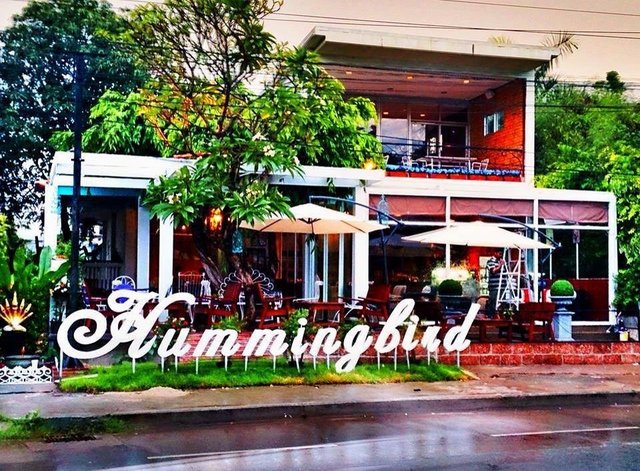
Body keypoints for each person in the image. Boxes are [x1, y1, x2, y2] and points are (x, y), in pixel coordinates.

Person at [486, 249, 505, 318]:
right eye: (499, 253)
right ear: (495, 253)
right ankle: (491, 317)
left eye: (501, 254)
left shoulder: (501, 261)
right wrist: (500, 265)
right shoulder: (491, 261)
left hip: (502, 286)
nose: (500, 255)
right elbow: (493, 271)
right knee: (493, 302)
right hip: (494, 287)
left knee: (501, 303)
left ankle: (500, 317)